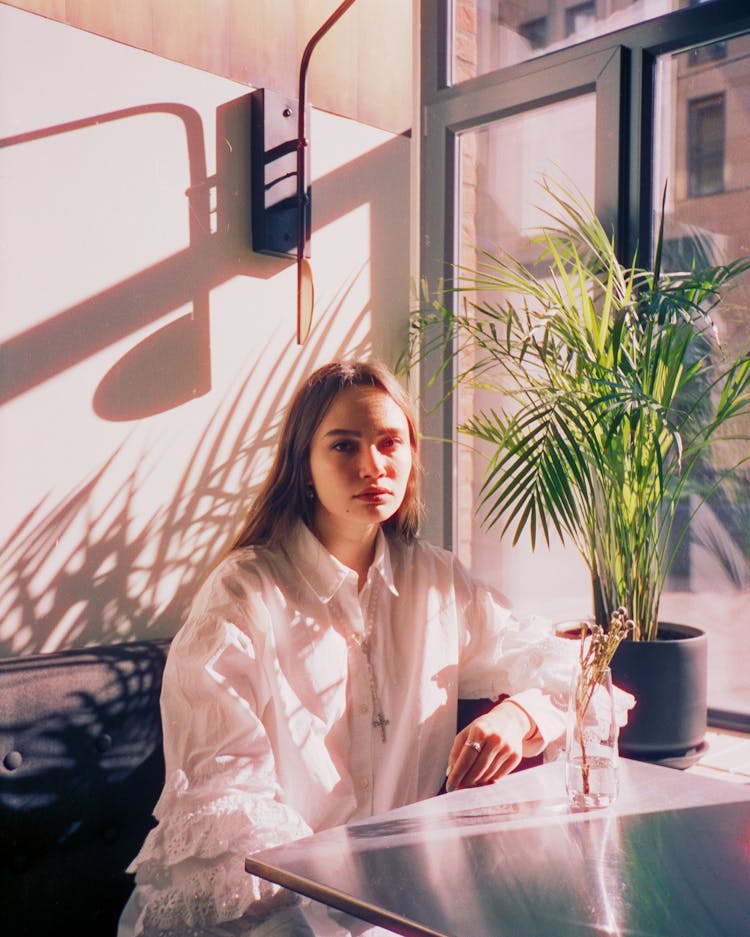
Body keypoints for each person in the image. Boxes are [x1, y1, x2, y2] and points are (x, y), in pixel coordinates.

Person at [118, 360, 614, 937]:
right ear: (304, 464)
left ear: (410, 456)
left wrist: (520, 712)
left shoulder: (438, 582)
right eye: (343, 446)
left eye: (388, 443)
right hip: (262, 913)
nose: (372, 465)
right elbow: (227, 798)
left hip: (397, 905)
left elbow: (581, 672)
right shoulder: (242, 593)